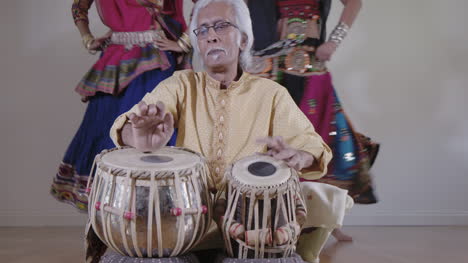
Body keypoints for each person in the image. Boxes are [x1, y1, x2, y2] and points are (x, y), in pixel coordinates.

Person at [105, 0, 353, 262]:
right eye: (202, 31)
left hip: (252, 223)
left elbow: (310, 144)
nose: (211, 36)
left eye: (221, 26)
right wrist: (138, 136)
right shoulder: (182, 84)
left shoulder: (270, 93)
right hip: (186, 218)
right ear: (198, 43)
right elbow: (131, 123)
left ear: (244, 40)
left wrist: (299, 156)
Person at [245, 0, 380, 242]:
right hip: (269, 67)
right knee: (270, 145)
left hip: (309, 67)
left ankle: (325, 219)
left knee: (324, 140)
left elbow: (354, 3)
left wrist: (334, 42)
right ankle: (277, 222)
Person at [50, 0, 193, 212]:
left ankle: (157, 218)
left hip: (155, 62)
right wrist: (87, 38)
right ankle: (108, 220)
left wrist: (184, 42)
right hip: (116, 62)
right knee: (105, 135)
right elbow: (79, 5)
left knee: (155, 134)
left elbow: (207, 4)